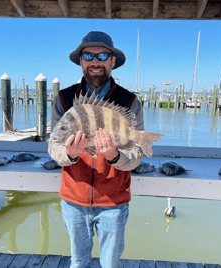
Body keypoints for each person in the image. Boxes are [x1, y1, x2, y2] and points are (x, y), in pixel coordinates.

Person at [48, 31, 144, 268]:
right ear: (81, 61)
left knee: (111, 264)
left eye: (102, 55)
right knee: (79, 263)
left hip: (113, 201)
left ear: (112, 61)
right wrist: (70, 154)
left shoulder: (130, 102)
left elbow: (137, 155)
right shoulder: (63, 99)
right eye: (88, 55)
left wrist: (115, 156)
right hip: (74, 200)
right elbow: (53, 144)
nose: (95, 61)